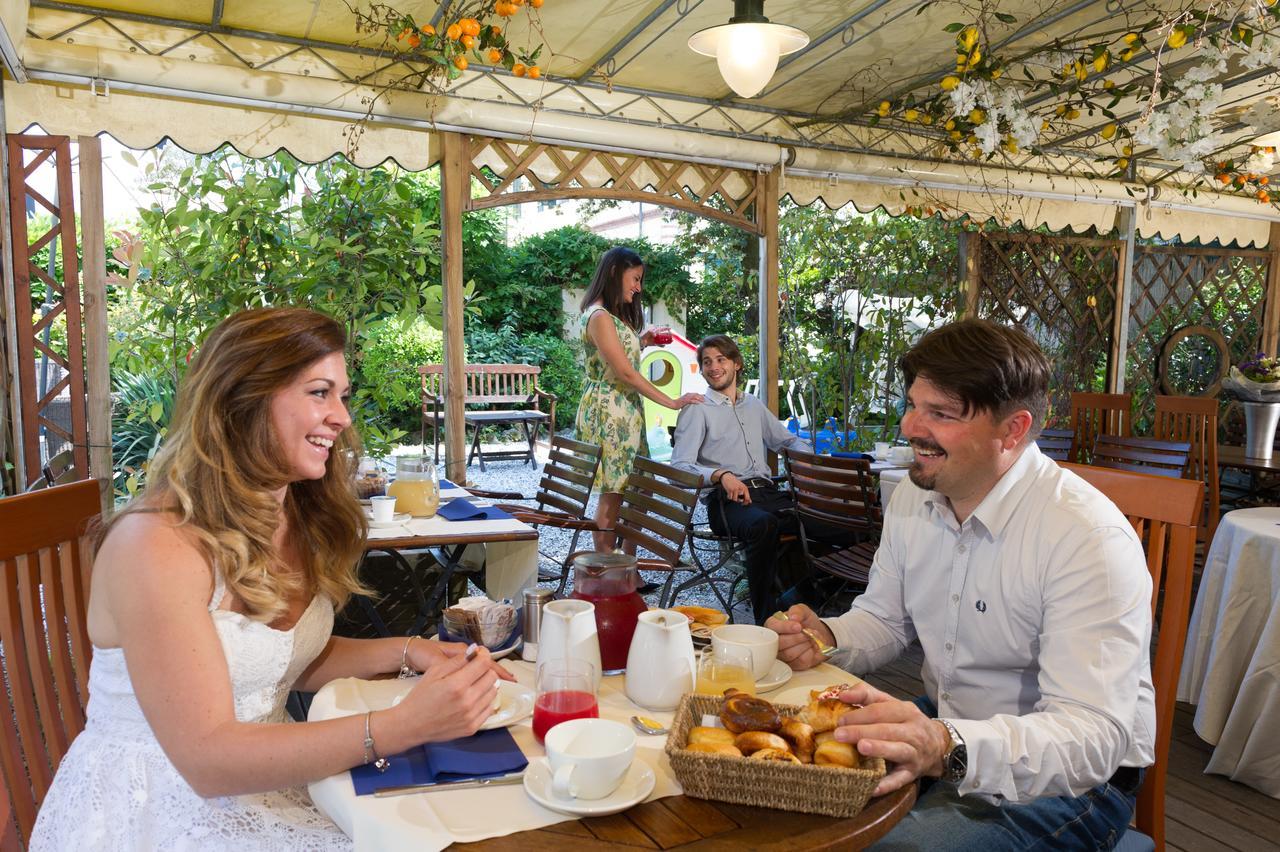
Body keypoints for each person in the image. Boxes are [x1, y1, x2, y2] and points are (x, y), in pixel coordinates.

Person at [32, 307, 512, 850]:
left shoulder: (292, 511)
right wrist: (404, 726)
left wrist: (413, 651)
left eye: (342, 396)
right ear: (243, 400)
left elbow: (283, 659)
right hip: (160, 809)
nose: (342, 418)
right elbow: (207, 761)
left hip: (276, 779)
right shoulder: (157, 544)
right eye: (319, 392)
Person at [767, 319, 1154, 850]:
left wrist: (944, 742)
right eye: (913, 404)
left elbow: (1092, 738)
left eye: (940, 414)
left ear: (1013, 430)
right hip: (949, 725)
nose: (909, 426)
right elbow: (884, 617)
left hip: (1071, 784)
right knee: (777, 792)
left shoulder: (1086, 536)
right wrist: (825, 638)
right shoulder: (914, 495)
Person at [670, 334, 819, 624]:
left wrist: (813, 462)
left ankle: (802, 602)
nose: (713, 367)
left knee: (826, 521)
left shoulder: (754, 406)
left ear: (736, 364)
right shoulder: (697, 408)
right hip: (726, 502)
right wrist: (719, 475)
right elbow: (679, 469)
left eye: (721, 359)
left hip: (766, 494)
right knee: (764, 525)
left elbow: (786, 441)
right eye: (706, 362)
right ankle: (767, 619)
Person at [575, 246, 703, 550]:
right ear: (614, 273)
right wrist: (672, 402)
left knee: (639, 490)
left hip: (625, 410)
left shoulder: (608, 316)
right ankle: (608, 570)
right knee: (614, 495)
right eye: (635, 278)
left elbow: (617, 359)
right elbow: (626, 373)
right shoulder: (599, 316)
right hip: (611, 412)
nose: (638, 287)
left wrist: (641, 342)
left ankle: (628, 567)